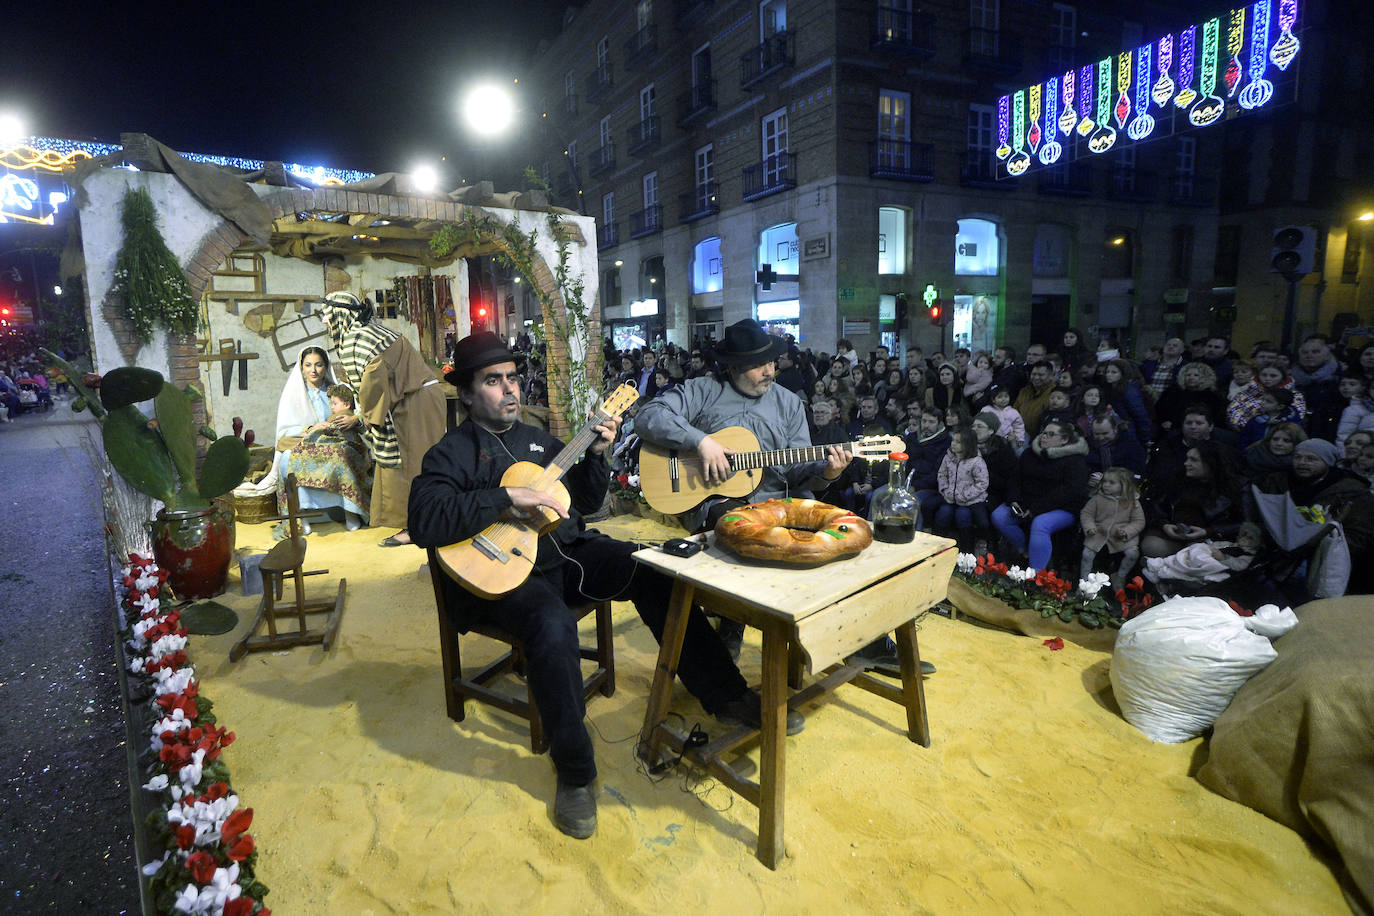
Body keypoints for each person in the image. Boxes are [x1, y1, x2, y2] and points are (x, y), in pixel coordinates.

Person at [408, 332, 801, 841]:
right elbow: (424, 519)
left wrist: (596, 455)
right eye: (492, 381)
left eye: (511, 378)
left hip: (566, 554)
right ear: (466, 392)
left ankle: (725, 695)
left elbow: (587, 501)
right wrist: (505, 496)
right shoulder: (452, 453)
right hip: (501, 578)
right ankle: (575, 772)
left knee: (654, 568)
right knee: (551, 626)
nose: (508, 390)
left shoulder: (537, 439)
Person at [635, 319, 853, 533]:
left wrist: (828, 472)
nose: (769, 371)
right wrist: (701, 442)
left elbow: (796, 469)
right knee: (738, 526)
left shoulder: (789, 403)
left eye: (770, 362)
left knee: (826, 524)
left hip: (777, 501)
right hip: (719, 502)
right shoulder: (702, 390)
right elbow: (648, 415)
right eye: (758, 365)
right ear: (733, 368)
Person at [317, 291, 446, 547]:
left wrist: (365, 419)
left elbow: (372, 385)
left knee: (412, 467)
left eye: (327, 316)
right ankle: (426, 521)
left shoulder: (357, 340)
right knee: (422, 463)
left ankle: (416, 528)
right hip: (420, 399)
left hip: (414, 406)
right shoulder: (371, 331)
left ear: (341, 315)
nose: (324, 322)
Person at [270, 347, 372, 534]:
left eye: (318, 365)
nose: (313, 370)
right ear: (301, 368)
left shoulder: (339, 391)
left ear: (326, 367)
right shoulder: (293, 395)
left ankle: (350, 511)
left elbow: (361, 412)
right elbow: (284, 430)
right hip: (307, 442)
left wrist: (353, 419)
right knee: (289, 459)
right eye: (308, 365)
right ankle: (303, 514)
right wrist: (310, 429)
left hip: (337, 440)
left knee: (342, 454)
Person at [990, 420, 1089, 571]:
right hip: (1028, 502)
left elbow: (1070, 492)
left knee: (1040, 523)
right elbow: (1015, 478)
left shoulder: (1075, 460)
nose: (1044, 437)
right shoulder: (1030, 453)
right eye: (1043, 433)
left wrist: (1036, 509)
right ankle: (1026, 550)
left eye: (1051, 434)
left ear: (1064, 440)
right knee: (999, 516)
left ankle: (1038, 576)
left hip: (1063, 507)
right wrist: (1014, 500)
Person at [1140, 441, 1243, 559]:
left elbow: (1241, 523)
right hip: (1173, 530)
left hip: (1208, 536)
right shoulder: (1177, 479)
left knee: (1198, 555)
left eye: (1193, 460)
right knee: (1152, 547)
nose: (1186, 463)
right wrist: (1164, 525)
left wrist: (1208, 531)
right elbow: (1157, 506)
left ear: (1210, 463)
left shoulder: (1233, 488)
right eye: (1187, 458)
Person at [1079, 467, 1146, 589]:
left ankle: (1120, 576)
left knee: (1133, 553)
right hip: (1099, 533)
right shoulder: (1097, 499)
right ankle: (1084, 580)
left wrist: (1127, 531)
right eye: (1104, 481)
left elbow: (1139, 521)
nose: (1106, 485)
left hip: (1120, 535)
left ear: (1124, 485)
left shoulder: (1132, 501)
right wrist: (1090, 526)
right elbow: (1086, 514)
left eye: (1111, 482)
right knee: (1087, 554)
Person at [930, 425, 990, 552]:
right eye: (953, 440)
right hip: (950, 497)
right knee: (942, 512)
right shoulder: (948, 457)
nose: (953, 444)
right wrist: (945, 490)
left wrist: (964, 495)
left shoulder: (976, 461)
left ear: (967, 444)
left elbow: (982, 483)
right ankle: (937, 545)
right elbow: (942, 475)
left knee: (978, 520)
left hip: (971, 500)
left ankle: (969, 549)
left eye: (958, 442)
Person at [1012, 360, 1056, 435]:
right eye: (1033, 374)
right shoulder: (1024, 391)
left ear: (1051, 376)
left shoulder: (1055, 394)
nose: (1036, 377)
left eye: (1041, 375)